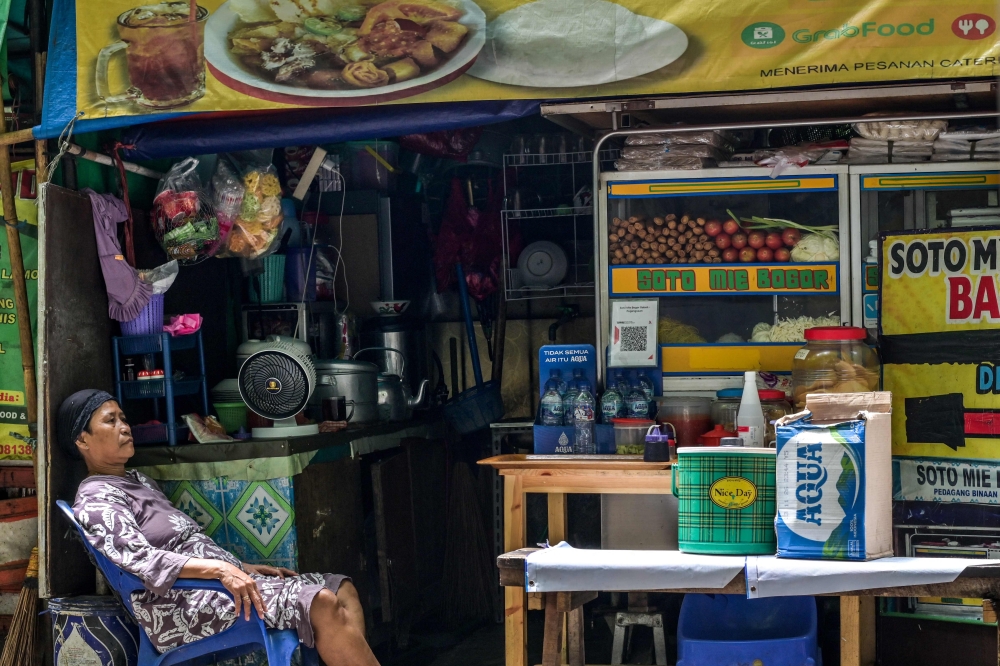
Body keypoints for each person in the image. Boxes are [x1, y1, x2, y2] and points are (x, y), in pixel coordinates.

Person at [61, 389, 380, 665]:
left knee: (340, 588)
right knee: (322, 601)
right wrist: (219, 571)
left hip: (216, 589)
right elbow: (140, 560)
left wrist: (239, 566)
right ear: (82, 440)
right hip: (181, 605)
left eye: (123, 418)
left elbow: (185, 544)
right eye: (110, 420)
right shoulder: (97, 496)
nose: (124, 427)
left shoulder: (137, 480)